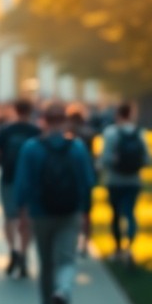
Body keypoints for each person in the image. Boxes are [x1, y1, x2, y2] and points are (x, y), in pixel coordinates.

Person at [15, 102, 96, 304]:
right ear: (64, 121)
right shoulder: (77, 148)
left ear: (43, 120)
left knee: (46, 264)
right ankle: (63, 292)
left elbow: (23, 185)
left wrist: (22, 217)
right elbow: (87, 183)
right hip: (69, 213)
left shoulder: (31, 148)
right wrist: (86, 214)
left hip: (41, 214)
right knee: (67, 261)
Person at [0, 98, 41, 279]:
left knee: (9, 218)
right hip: (32, 181)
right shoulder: (36, 131)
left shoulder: (6, 131)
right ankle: (24, 252)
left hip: (8, 178)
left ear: (15, 110)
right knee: (27, 219)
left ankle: (12, 250)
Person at [98, 102, 151, 265]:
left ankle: (118, 249)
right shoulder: (140, 133)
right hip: (134, 180)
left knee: (115, 215)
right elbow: (148, 159)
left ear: (117, 114)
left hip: (114, 180)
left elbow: (105, 159)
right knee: (130, 213)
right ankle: (130, 248)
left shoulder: (110, 133)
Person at [66, 104, 98, 257]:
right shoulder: (89, 133)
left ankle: (73, 242)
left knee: (72, 212)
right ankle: (85, 243)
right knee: (86, 213)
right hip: (86, 176)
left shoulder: (69, 135)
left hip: (70, 177)